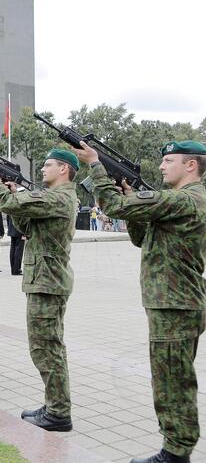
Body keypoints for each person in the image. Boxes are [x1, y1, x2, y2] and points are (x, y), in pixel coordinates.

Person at [75, 139, 206, 463]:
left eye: (169, 160)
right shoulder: (179, 202)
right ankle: (176, 448)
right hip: (173, 302)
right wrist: (130, 199)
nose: (161, 166)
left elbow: (114, 208)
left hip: (176, 304)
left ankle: (176, 452)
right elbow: (139, 237)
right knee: (171, 378)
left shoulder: (188, 199)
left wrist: (96, 164)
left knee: (172, 382)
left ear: (191, 165)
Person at [0, 149, 78, 432]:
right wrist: (8, 189)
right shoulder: (55, 197)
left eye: (48, 165)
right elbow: (18, 217)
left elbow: (7, 202)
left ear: (64, 170)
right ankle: (55, 404)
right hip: (44, 280)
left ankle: (58, 413)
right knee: (44, 346)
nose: (42, 169)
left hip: (48, 281)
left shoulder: (59, 196)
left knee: (47, 347)